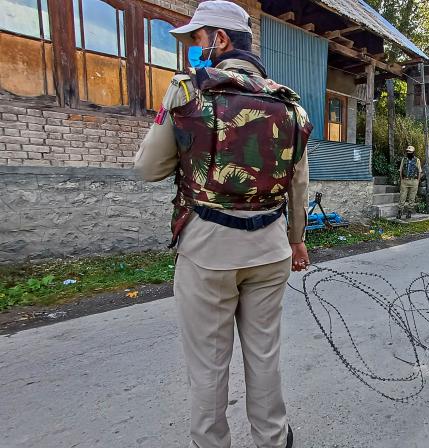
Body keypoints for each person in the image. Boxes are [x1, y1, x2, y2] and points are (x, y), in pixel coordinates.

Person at [133, 2, 312, 447]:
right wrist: (296, 241)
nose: (196, 48)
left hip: (208, 250)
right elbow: (297, 184)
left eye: (198, 38)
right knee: (264, 358)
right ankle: (273, 440)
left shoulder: (188, 92)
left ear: (221, 39)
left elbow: (148, 169)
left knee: (209, 367)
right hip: (271, 249)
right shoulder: (287, 103)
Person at [397, 145, 422, 219]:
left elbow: (420, 171)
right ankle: (399, 212)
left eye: (410, 151)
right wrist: (402, 180)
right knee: (402, 197)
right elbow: (401, 170)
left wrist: (418, 181)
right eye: (408, 151)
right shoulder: (403, 159)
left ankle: (409, 212)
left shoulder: (417, 160)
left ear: (413, 152)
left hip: (414, 181)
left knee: (412, 198)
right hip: (405, 181)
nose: (409, 152)